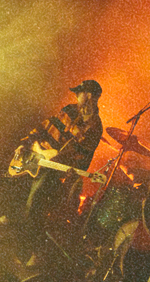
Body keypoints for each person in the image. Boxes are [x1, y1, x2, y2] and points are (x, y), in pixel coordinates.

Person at [21, 78, 103, 259]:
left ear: (89, 96)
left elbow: (82, 159)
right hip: (37, 156)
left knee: (34, 203)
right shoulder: (69, 109)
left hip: (54, 170)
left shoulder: (95, 127)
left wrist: (72, 170)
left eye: (79, 93)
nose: (76, 96)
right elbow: (45, 126)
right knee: (17, 189)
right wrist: (32, 144)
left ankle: (29, 251)